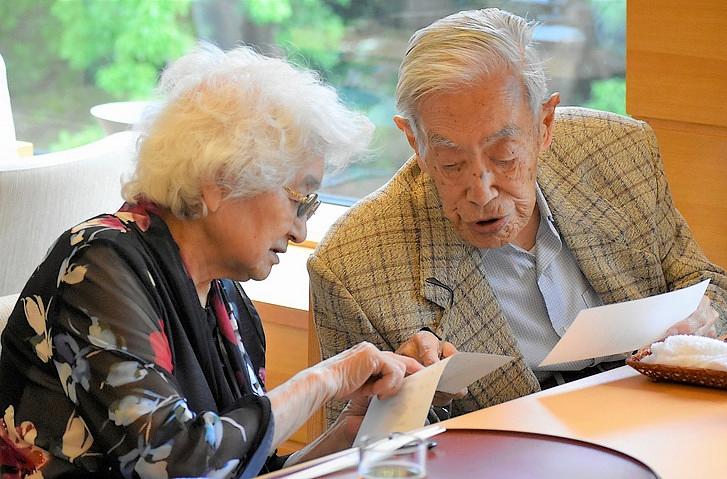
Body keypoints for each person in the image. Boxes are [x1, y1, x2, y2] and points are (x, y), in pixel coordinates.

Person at [0, 44, 421, 478]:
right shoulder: (96, 266)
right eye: (300, 200)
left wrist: (348, 433)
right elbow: (174, 465)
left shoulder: (227, 302)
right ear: (222, 180)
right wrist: (325, 380)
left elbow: (242, 468)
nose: (300, 231)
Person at [308, 8, 727, 423]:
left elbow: (720, 294)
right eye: (451, 163)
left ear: (544, 125)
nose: (482, 192)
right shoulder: (354, 266)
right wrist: (410, 397)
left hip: (662, 420)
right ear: (414, 142)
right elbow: (352, 446)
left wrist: (700, 324)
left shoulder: (617, 152)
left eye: (504, 156)